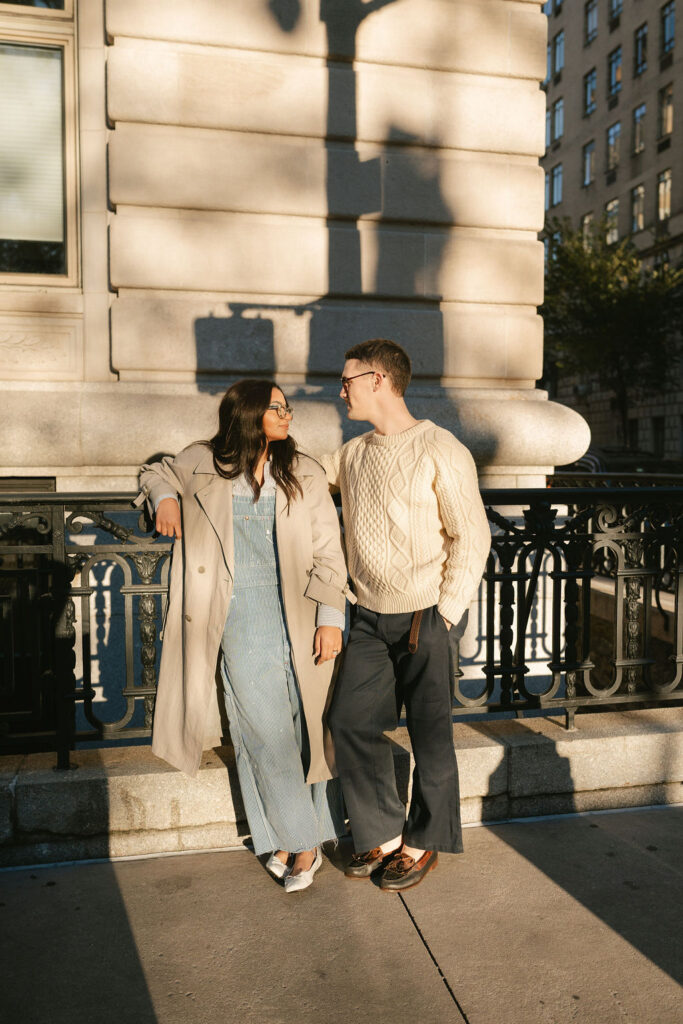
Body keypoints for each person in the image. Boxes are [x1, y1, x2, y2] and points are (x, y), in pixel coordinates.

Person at [136, 380, 352, 892]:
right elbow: (153, 472)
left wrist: (331, 616)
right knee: (262, 729)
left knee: (307, 730)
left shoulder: (303, 471)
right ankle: (303, 844)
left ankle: (294, 833)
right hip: (237, 615)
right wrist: (166, 498)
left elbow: (329, 551)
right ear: (249, 413)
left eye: (287, 407)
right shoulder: (201, 462)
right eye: (277, 407)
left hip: (302, 616)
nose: (287, 415)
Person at [321, 339, 491, 892]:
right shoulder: (350, 454)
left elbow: (472, 535)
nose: (340, 388)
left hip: (426, 615)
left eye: (347, 379)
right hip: (368, 616)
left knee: (430, 735)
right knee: (349, 721)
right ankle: (384, 834)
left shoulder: (442, 448)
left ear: (379, 380)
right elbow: (290, 476)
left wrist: (445, 612)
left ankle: (421, 844)